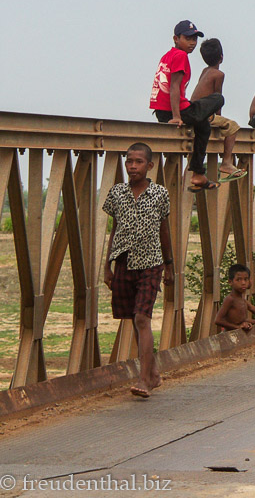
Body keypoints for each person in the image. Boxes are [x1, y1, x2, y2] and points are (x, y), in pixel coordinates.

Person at [102, 142, 174, 398]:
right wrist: (107, 265)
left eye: (138, 162)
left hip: (151, 263)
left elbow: (164, 230)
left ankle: (144, 380)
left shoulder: (160, 194)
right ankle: (153, 373)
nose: (133, 166)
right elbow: (115, 229)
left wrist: (169, 265)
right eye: (129, 161)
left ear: (150, 165)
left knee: (142, 318)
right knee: (134, 318)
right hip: (123, 262)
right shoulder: (117, 193)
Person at [150, 20, 224, 192]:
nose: (192, 43)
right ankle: (197, 172)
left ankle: (198, 174)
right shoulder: (180, 56)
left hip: (162, 110)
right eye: (188, 38)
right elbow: (174, 86)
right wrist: (176, 116)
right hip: (175, 111)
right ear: (176, 38)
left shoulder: (168, 55)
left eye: (194, 39)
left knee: (203, 127)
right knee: (218, 99)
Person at [190, 38, 246, 183]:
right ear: (221, 57)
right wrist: (219, 118)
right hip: (205, 114)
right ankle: (226, 162)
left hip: (193, 110)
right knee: (233, 126)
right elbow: (217, 97)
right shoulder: (219, 74)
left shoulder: (205, 71)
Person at [214, 264, 255, 331]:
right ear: (230, 282)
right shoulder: (230, 299)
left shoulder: (242, 298)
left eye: (246, 279)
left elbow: (252, 309)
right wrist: (238, 327)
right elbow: (218, 320)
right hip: (230, 334)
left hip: (240, 334)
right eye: (238, 279)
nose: (243, 283)